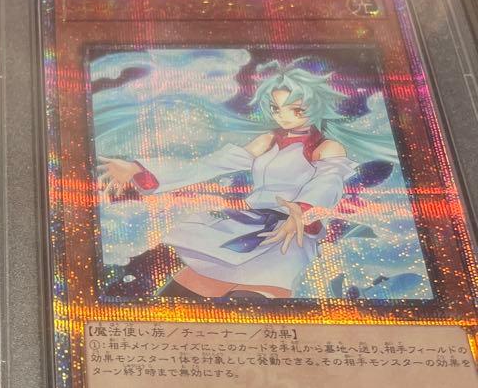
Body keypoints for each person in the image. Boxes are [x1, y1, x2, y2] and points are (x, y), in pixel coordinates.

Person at [98, 61, 392, 300]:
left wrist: (302, 209)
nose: (283, 117)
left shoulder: (326, 148)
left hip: (288, 236)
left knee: (253, 307)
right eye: (276, 109)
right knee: (177, 299)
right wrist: (139, 169)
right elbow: (212, 164)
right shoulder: (267, 140)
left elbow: (328, 183)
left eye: (295, 110)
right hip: (247, 230)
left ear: (314, 108)